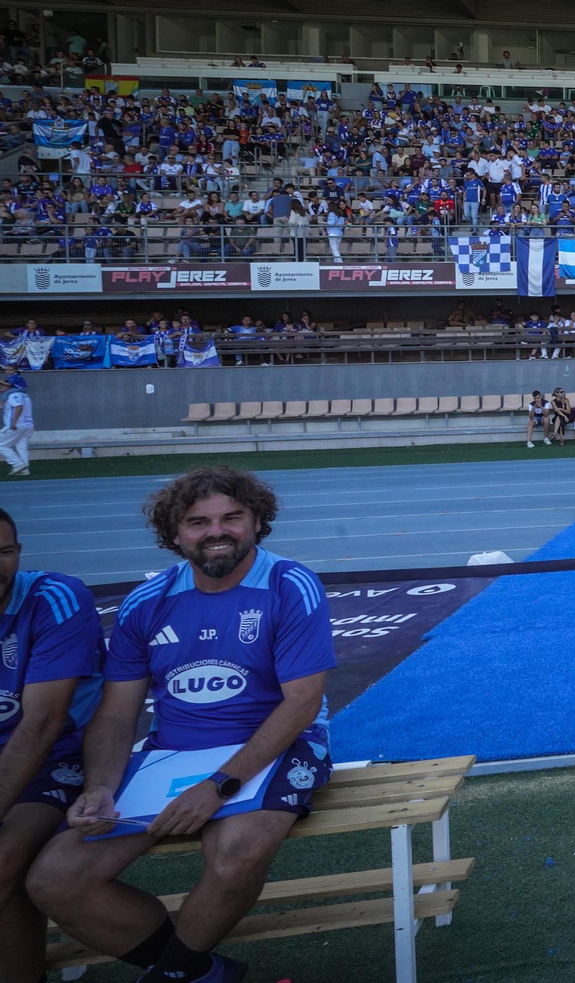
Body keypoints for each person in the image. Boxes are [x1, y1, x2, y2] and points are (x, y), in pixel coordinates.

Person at [29, 467, 335, 983]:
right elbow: (117, 712)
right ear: (174, 534)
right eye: (198, 522)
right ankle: (199, 972)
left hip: (282, 746)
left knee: (236, 850)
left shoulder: (289, 585)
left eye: (232, 517)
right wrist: (101, 787)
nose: (217, 530)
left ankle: (171, 975)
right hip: (172, 750)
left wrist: (218, 786)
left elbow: (301, 704)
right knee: (55, 879)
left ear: (258, 522)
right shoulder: (144, 604)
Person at [0, 507, 104, 983]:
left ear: (18, 552)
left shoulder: (54, 598)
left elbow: (42, 725)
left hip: (56, 759)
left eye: (3, 552)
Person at [0, 374, 32, 477]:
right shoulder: (25, 395)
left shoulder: (12, 395)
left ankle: (17, 464)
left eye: (2, 386)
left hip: (16, 426)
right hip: (28, 426)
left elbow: (18, 407)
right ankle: (24, 470)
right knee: (21, 447)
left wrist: (14, 422)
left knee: (1, 445)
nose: (0, 388)